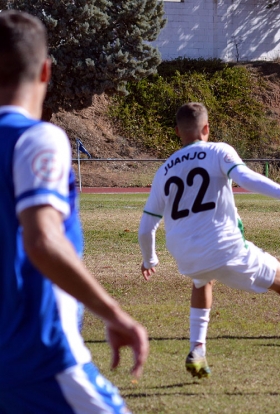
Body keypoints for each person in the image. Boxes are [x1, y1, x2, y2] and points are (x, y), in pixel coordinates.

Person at [0, 10, 149, 414]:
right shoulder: (37, 137)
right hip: (40, 360)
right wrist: (114, 313)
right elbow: (43, 239)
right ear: (46, 70)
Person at [138, 102, 280, 395]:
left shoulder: (164, 170)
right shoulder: (218, 150)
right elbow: (247, 179)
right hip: (226, 248)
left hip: (185, 256)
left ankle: (197, 350)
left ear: (178, 132)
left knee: (201, 278)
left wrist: (149, 258)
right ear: (206, 129)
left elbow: (145, 227)